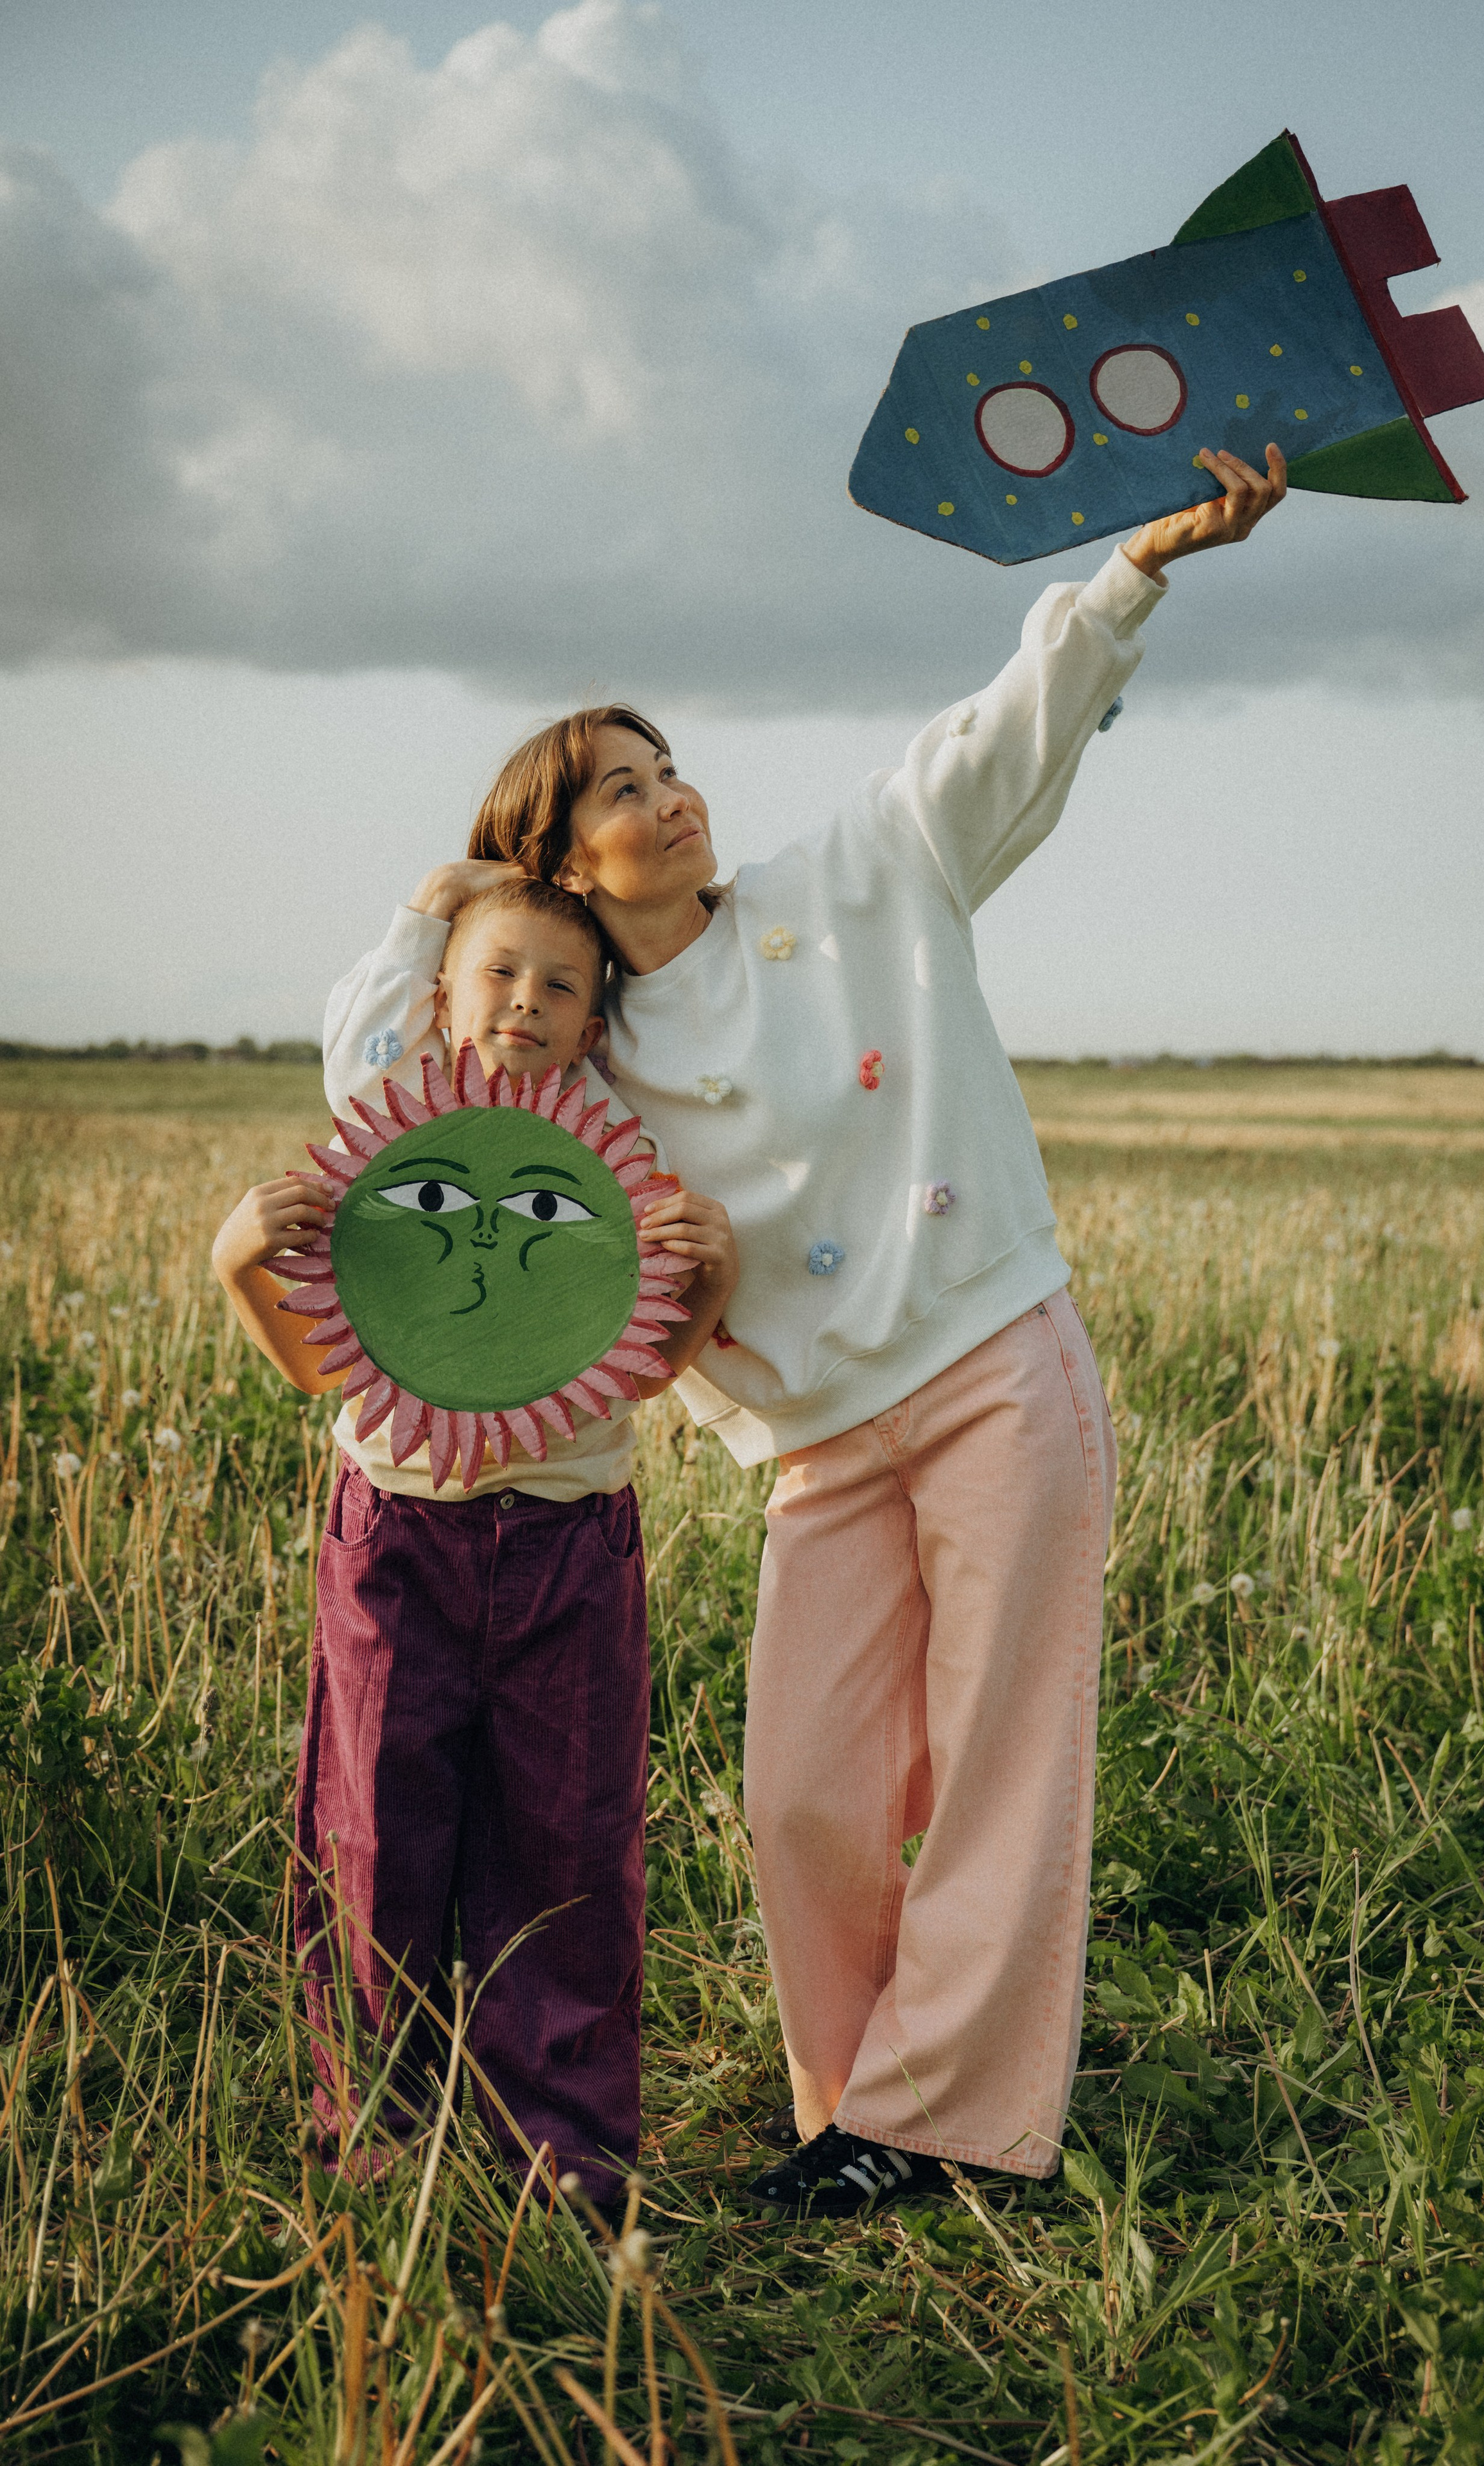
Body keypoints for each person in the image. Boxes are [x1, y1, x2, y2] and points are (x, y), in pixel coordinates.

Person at [324, 447, 1288, 2216]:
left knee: (1002, 1752)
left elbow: (1010, 729)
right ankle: (854, 2107)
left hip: (996, 1359)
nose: (673, 796)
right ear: (552, 859)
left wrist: (1137, 568)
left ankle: (952, 2133)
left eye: (671, 765)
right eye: (621, 789)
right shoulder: (573, 1062)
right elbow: (385, 1073)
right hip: (819, 1451)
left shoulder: (857, 870)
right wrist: (444, 899)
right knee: (804, 1800)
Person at [214, 878, 738, 2204]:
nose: (524, 1003)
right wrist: (238, 1263)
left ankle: (562, 2158)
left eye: (560, 986)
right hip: (395, 1540)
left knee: (568, 1843)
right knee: (374, 1837)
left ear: (593, 1022)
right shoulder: (385, 1142)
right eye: (497, 973)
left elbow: (627, 1378)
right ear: (439, 996)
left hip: (571, 1543)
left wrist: (709, 1278)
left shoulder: (613, 1161)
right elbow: (322, 1370)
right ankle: (370, 2150)